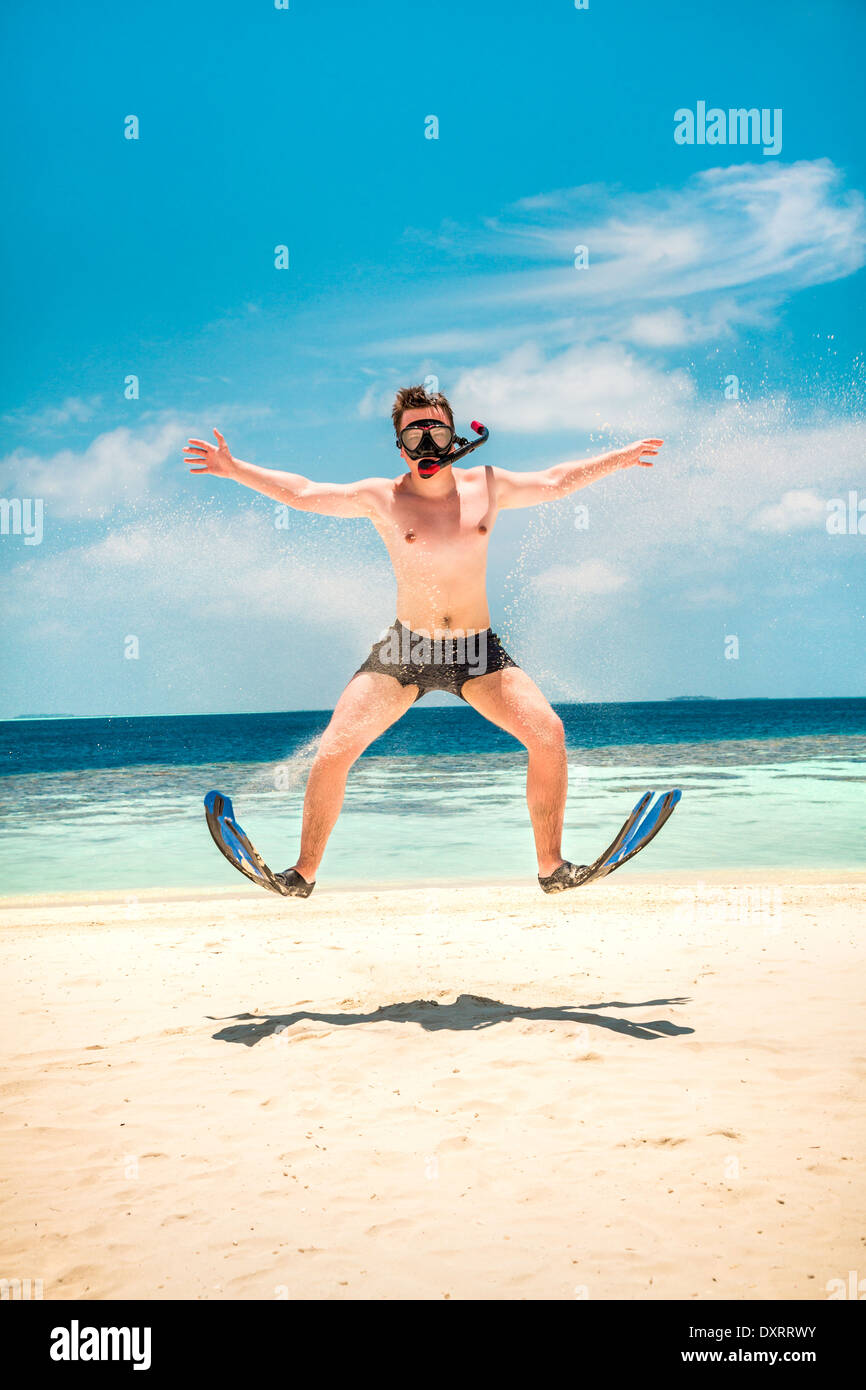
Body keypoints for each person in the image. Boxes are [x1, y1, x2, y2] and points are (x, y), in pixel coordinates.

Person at [185, 385, 663, 895]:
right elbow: (303, 492)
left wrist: (621, 458)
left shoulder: (488, 485)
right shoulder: (383, 498)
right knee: (335, 748)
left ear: (455, 436)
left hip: (477, 650)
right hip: (406, 650)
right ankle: (301, 874)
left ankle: (552, 867)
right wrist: (236, 470)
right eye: (415, 430)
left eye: (436, 428)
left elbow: (555, 480)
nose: (428, 439)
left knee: (548, 734)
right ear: (400, 445)